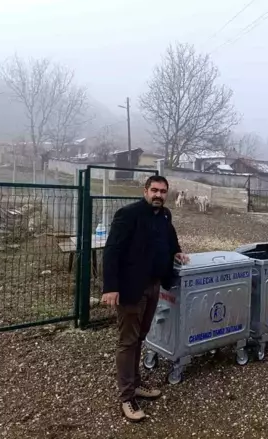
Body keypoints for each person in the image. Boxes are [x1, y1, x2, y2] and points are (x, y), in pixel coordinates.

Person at [101, 175, 189, 422]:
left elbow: (169, 239)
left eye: (163, 191)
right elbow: (112, 250)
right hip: (131, 288)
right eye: (154, 190)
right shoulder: (128, 215)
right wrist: (110, 287)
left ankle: (136, 383)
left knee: (141, 336)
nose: (158, 195)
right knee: (127, 341)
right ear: (145, 191)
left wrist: (178, 252)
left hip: (153, 286)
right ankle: (127, 397)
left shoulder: (164, 216)